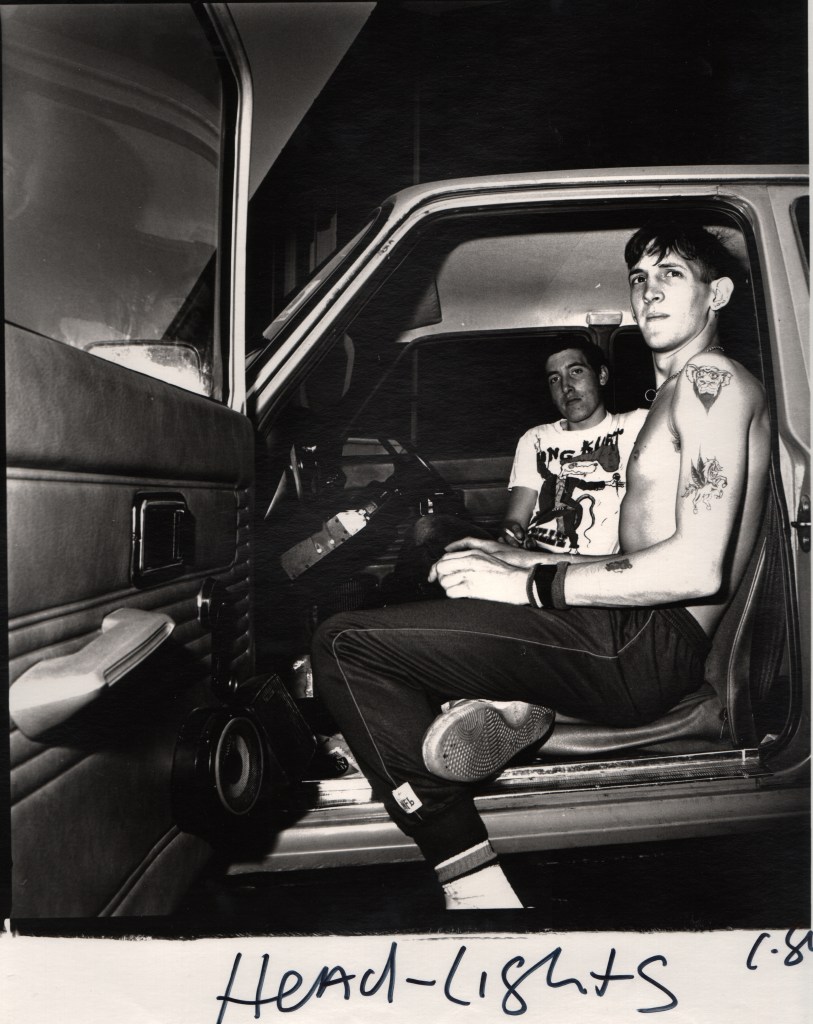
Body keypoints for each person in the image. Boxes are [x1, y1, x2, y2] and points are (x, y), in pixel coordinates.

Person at [311, 221, 770, 909]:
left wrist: (530, 582)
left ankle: (474, 886)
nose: (648, 292)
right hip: (628, 632)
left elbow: (696, 569)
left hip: (641, 647)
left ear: (718, 294)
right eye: (639, 278)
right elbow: (640, 554)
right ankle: (493, 706)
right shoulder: (675, 396)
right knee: (442, 582)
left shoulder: (711, 382)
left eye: (671, 275)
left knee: (344, 645)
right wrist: (516, 553)